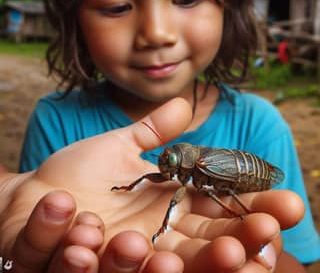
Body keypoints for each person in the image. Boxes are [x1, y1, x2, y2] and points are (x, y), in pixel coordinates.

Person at [18, 0, 319, 270]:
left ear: (228, 4)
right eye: (117, 7)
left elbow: (294, 258)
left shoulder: (260, 125)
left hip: (241, 175)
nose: (157, 33)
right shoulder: (54, 120)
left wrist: (248, 236)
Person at [0, 98, 306, 272]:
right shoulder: (53, 116)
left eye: (170, 162)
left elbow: (220, 190)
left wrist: (239, 216)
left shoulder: (251, 128)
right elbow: (153, 177)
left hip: (244, 172)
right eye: (166, 161)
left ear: (183, 164)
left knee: (222, 192)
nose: (165, 166)